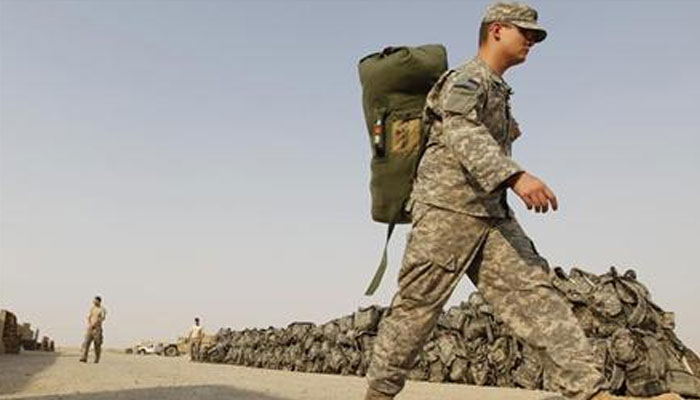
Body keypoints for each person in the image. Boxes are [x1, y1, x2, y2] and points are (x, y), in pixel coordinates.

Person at [364, 3, 680, 400]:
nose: (531, 40)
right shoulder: (466, 79)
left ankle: (590, 391)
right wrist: (515, 174)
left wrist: (507, 136)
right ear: (497, 31)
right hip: (447, 214)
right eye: (524, 32)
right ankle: (378, 395)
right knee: (416, 312)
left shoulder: (495, 88)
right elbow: (461, 131)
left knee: (537, 297)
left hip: (490, 216)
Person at [79, 295, 106, 363]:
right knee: (86, 343)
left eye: (95, 300)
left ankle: (96, 358)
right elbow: (89, 317)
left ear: (98, 301)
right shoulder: (92, 308)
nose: (93, 301)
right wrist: (90, 324)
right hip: (90, 328)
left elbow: (102, 318)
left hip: (97, 329)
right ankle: (84, 357)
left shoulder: (102, 309)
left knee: (97, 344)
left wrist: (95, 324)